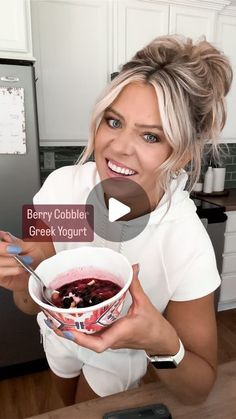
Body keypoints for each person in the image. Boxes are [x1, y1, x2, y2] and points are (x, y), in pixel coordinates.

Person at [0, 34, 233, 406]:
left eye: (151, 136)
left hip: (118, 359)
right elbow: (32, 302)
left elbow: (200, 388)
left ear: (184, 151)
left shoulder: (184, 242)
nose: (120, 146)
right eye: (113, 121)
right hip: (58, 340)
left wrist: (161, 342)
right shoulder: (65, 190)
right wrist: (21, 279)